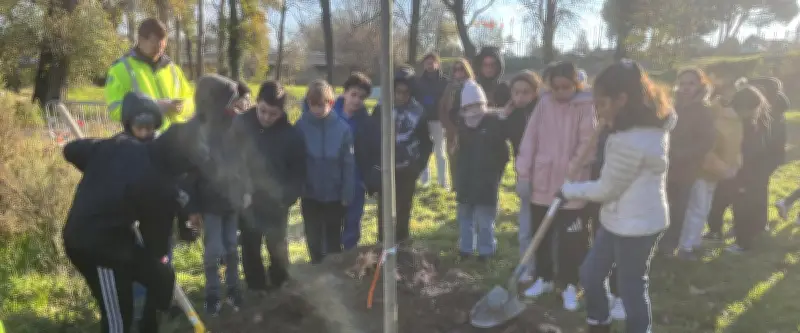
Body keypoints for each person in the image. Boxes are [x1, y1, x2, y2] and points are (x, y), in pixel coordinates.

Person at [565, 59, 674, 333]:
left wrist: (568, 190)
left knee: (631, 286)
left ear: (622, 99)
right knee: (590, 274)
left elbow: (607, 189)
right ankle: (599, 321)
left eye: (602, 103)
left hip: (638, 224)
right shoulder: (630, 128)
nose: (598, 110)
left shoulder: (634, 140)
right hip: (618, 217)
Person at [61, 118, 196, 333]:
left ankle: (149, 326)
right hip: (94, 243)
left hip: (120, 235)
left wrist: (103, 161)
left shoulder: (122, 145)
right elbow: (156, 242)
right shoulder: (159, 184)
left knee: (161, 276)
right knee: (119, 316)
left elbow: (71, 150)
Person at [516, 61, 596, 311]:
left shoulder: (585, 106)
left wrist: (572, 171)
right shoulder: (544, 104)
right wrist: (524, 175)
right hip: (543, 182)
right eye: (556, 87)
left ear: (576, 84)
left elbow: (588, 143)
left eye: (566, 87)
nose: (561, 92)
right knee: (542, 235)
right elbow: (530, 140)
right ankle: (544, 278)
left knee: (573, 238)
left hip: (573, 185)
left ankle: (571, 283)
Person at [178, 74, 245, 316]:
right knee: (213, 251)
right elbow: (188, 176)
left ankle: (235, 291)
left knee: (232, 248)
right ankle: (212, 296)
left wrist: (244, 191)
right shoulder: (196, 130)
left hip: (232, 200)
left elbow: (246, 162)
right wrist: (193, 208)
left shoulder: (236, 124)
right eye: (229, 100)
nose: (234, 104)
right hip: (209, 204)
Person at [232, 81, 306, 293]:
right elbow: (231, 160)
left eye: (272, 114)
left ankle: (280, 283)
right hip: (248, 200)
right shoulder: (241, 125)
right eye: (262, 111)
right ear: (256, 103)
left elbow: (298, 172)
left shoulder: (291, 136)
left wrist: (287, 198)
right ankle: (256, 287)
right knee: (250, 246)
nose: (266, 117)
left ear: (281, 112)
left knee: (277, 246)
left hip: (277, 203)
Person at [359, 66, 433, 244]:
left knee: (403, 209)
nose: (401, 96)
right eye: (397, 92)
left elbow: (426, 142)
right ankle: (383, 247)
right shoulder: (380, 110)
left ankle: (402, 245)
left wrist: (419, 164)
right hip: (385, 168)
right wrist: (373, 167)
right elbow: (371, 139)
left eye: (405, 93)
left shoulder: (419, 112)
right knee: (384, 211)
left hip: (408, 168)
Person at [677, 84, 743, 259]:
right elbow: (708, 150)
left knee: (702, 209)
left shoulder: (722, 119)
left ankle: (693, 242)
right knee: (697, 209)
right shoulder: (719, 120)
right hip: (703, 171)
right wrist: (725, 169)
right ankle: (686, 246)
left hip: (712, 172)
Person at [296, 80, 355, 264]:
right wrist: (300, 187)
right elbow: (296, 160)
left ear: (330, 103)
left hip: (335, 194)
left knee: (333, 237)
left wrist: (347, 192)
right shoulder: (300, 127)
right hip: (310, 194)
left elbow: (348, 163)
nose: (317, 109)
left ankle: (334, 271)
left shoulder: (343, 129)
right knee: (313, 236)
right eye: (313, 105)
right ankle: (316, 268)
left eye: (322, 105)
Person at [658, 68, 715, 256]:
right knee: (661, 204)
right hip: (664, 164)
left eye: (690, 83)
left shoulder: (704, 110)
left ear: (700, 85)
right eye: (682, 83)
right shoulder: (671, 106)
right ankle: (655, 241)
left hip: (686, 168)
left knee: (679, 208)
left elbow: (707, 141)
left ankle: (670, 245)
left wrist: (683, 154)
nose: (686, 88)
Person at [713, 85, 774, 253]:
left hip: (745, 172)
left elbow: (748, 151)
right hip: (752, 172)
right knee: (743, 205)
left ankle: (743, 243)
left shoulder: (749, 125)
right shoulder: (761, 120)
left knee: (741, 207)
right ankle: (745, 234)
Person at [105, 18, 194, 131]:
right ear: (141, 40)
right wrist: (152, 107)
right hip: (143, 142)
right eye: (154, 45)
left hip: (174, 140)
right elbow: (115, 110)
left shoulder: (173, 69)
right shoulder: (120, 69)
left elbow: (191, 100)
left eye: (162, 46)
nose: (159, 51)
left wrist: (181, 108)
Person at [454, 80, 509, 260]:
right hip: (465, 181)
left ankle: (486, 251)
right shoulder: (462, 127)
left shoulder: (494, 125)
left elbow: (503, 155)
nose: (474, 110)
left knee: (485, 220)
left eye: (477, 105)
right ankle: (465, 248)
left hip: (486, 183)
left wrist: (494, 175)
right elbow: (457, 155)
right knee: (464, 218)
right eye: (469, 106)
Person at [505, 70, 541, 281]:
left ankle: (547, 270)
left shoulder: (544, 113)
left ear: (535, 92)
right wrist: (504, 117)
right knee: (525, 226)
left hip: (546, 175)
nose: (520, 97)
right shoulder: (514, 115)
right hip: (524, 175)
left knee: (545, 225)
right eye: (516, 92)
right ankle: (527, 266)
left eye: (525, 92)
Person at [334, 72, 372, 251]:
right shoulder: (329, 113)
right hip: (332, 176)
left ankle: (350, 256)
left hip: (356, 177)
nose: (356, 101)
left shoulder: (365, 121)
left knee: (352, 221)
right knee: (332, 223)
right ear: (345, 92)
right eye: (353, 94)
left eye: (362, 97)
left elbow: (368, 151)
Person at [438, 58, 475, 191]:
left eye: (461, 69)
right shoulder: (450, 87)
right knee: (452, 156)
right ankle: (455, 186)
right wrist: (446, 124)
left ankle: (467, 184)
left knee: (468, 157)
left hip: (469, 128)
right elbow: (442, 106)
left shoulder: (472, 86)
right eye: (456, 69)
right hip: (452, 128)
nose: (458, 72)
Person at [416, 53, 450, 188]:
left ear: (437, 63)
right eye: (427, 62)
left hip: (438, 120)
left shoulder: (445, 82)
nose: (429, 65)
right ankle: (425, 180)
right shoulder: (418, 82)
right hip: (422, 121)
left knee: (440, 153)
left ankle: (443, 182)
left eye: (432, 62)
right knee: (423, 151)